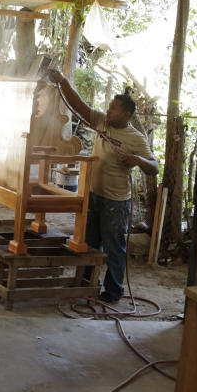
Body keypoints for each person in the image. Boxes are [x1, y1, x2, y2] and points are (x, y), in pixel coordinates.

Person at [46, 70, 158, 304]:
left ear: (126, 114)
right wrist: (63, 82)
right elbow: (79, 106)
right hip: (94, 195)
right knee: (90, 241)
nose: (108, 110)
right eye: (109, 106)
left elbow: (154, 167)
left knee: (114, 246)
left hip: (115, 202)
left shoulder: (136, 138)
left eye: (113, 108)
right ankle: (88, 282)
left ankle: (114, 291)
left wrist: (137, 160)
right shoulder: (101, 122)